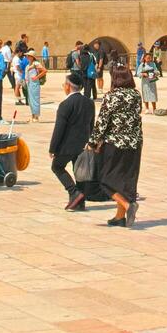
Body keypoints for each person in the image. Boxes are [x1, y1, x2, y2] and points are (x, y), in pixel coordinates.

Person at [88, 65, 144, 227]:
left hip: (115, 143)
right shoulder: (136, 95)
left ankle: (127, 206)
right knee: (126, 180)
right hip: (134, 143)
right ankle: (120, 217)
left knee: (104, 179)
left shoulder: (112, 96)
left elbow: (103, 121)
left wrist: (93, 142)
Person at [52, 75, 96, 210]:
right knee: (79, 171)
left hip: (67, 145)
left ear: (68, 86)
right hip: (83, 143)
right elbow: (91, 124)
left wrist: (53, 148)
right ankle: (80, 202)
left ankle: (74, 192)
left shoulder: (65, 104)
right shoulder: (89, 102)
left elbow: (59, 128)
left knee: (57, 167)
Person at [23, 52, 46, 121]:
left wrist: (36, 77)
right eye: (27, 56)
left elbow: (44, 70)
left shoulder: (36, 63)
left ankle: (36, 116)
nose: (27, 57)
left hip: (34, 84)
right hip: (29, 84)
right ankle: (33, 115)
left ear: (32, 57)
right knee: (30, 100)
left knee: (35, 100)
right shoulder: (28, 65)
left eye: (29, 56)